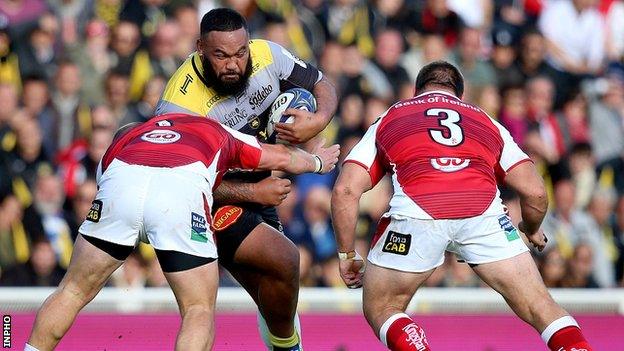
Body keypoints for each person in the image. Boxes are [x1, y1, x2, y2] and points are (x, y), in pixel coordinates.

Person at [331, 61, 593, 351]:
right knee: (541, 307)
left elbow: (345, 190)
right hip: (484, 216)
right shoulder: (486, 120)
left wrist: (346, 254)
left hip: (418, 214)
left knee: (382, 306)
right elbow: (536, 193)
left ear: (416, 92)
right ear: (460, 95)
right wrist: (529, 228)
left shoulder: (392, 116)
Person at [25, 113, 339, 351]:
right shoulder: (216, 129)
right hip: (177, 195)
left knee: (72, 291)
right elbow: (280, 157)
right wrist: (316, 162)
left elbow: (108, 180)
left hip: (123, 182)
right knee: (197, 309)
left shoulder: (129, 135)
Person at [155, 8, 338, 350]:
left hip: (258, 186)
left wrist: (319, 119)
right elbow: (179, 183)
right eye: (221, 56)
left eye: (240, 53)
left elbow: (320, 82)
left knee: (274, 285)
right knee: (284, 261)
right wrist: (254, 190)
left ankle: (285, 343)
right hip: (208, 201)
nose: (233, 65)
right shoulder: (179, 107)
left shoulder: (268, 54)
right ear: (200, 49)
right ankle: (288, 346)